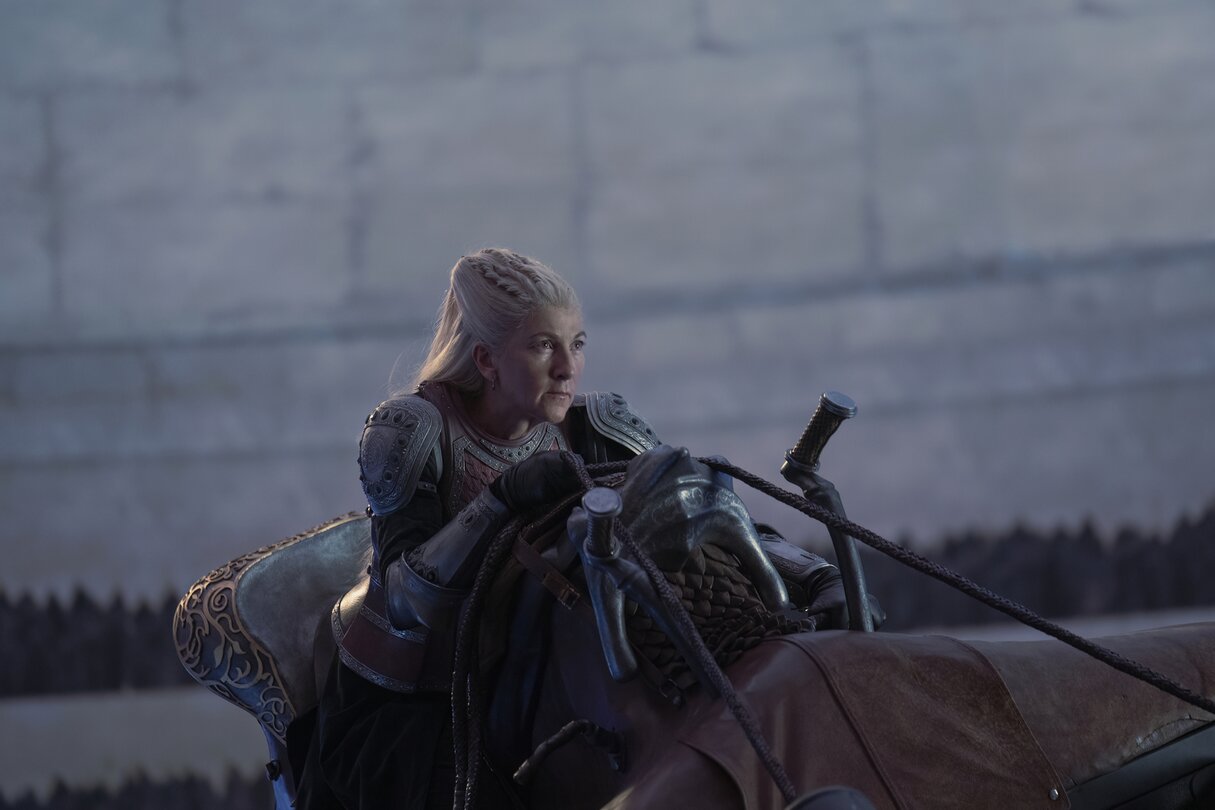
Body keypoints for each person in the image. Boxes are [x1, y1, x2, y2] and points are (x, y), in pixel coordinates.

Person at [298, 248, 861, 809]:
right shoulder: (412, 431)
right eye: (543, 346)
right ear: (487, 360)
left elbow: (697, 505)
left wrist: (816, 575)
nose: (567, 368)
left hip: (542, 654)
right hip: (424, 687)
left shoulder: (599, 426)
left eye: (578, 343)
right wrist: (501, 498)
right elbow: (405, 599)